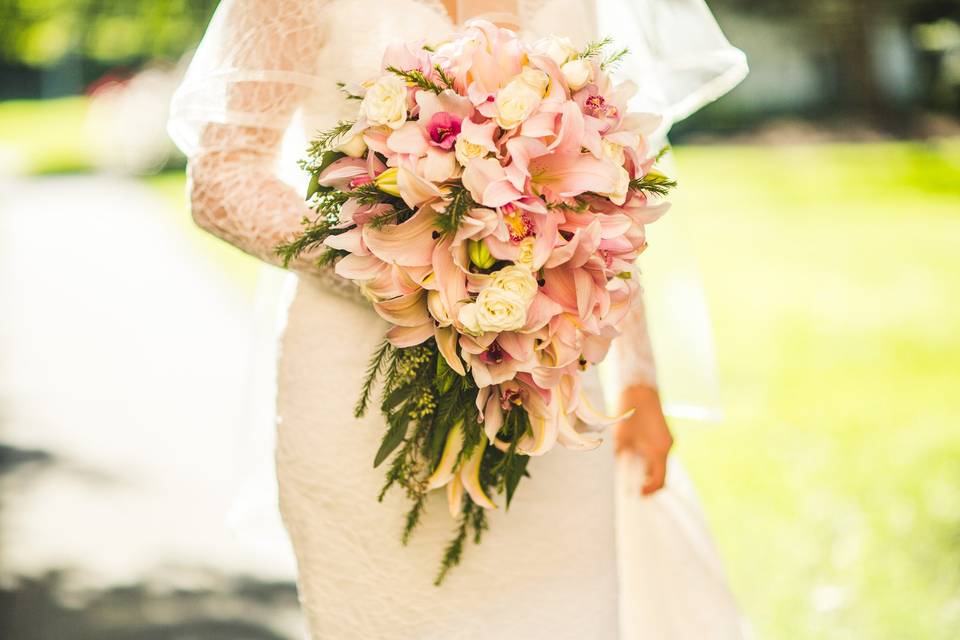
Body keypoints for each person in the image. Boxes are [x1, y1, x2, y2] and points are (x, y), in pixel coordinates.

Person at [168, 0, 748, 637]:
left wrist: (641, 379)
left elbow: (604, 197)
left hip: (549, 386)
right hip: (355, 392)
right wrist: (406, 266)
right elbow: (223, 178)